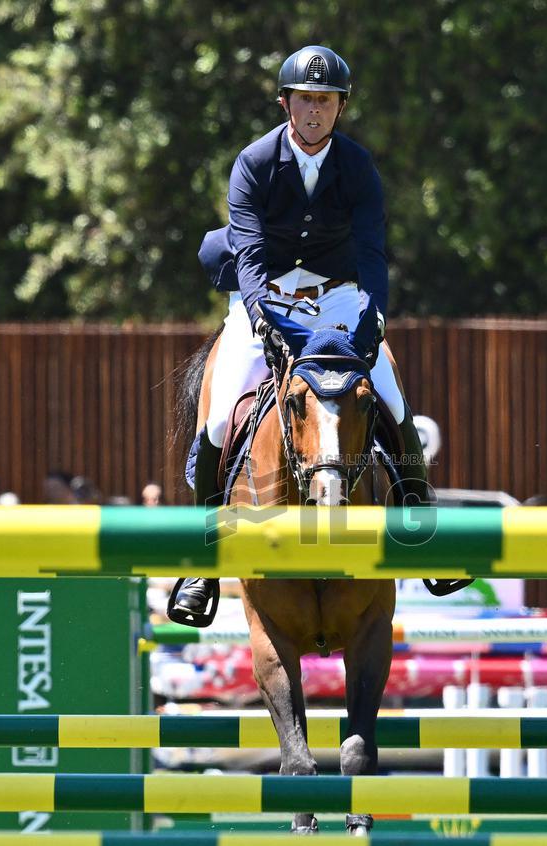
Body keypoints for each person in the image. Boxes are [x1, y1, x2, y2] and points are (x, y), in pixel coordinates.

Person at [173, 44, 430, 621]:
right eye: (306, 100)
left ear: (341, 107)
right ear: (286, 102)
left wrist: (371, 319)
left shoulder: (357, 165)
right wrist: (263, 317)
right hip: (266, 297)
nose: (315, 111)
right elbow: (252, 254)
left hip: (337, 297)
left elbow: (370, 251)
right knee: (218, 418)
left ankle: (421, 528)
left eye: (327, 101)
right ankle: (202, 563)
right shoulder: (254, 162)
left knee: (390, 399)